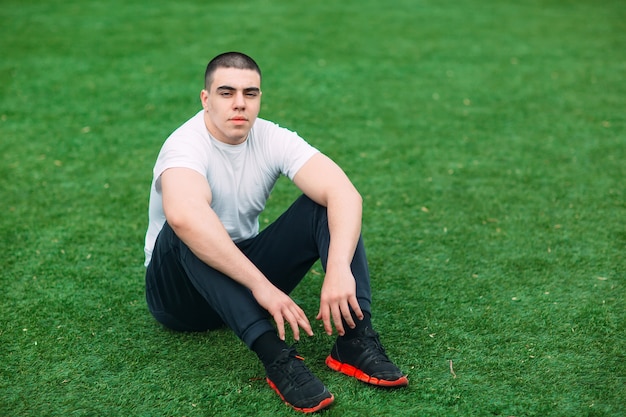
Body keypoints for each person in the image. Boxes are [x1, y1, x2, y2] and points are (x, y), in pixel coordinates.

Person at [144, 51, 408, 413]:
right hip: (180, 298)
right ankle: (277, 357)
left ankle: (355, 340)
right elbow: (185, 217)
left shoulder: (271, 137)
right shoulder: (184, 146)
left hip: (240, 272)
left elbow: (344, 193)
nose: (239, 104)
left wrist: (339, 268)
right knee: (186, 229)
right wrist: (263, 287)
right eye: (226, 93)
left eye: (250, 94)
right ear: (205, 99)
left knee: (327, 206)